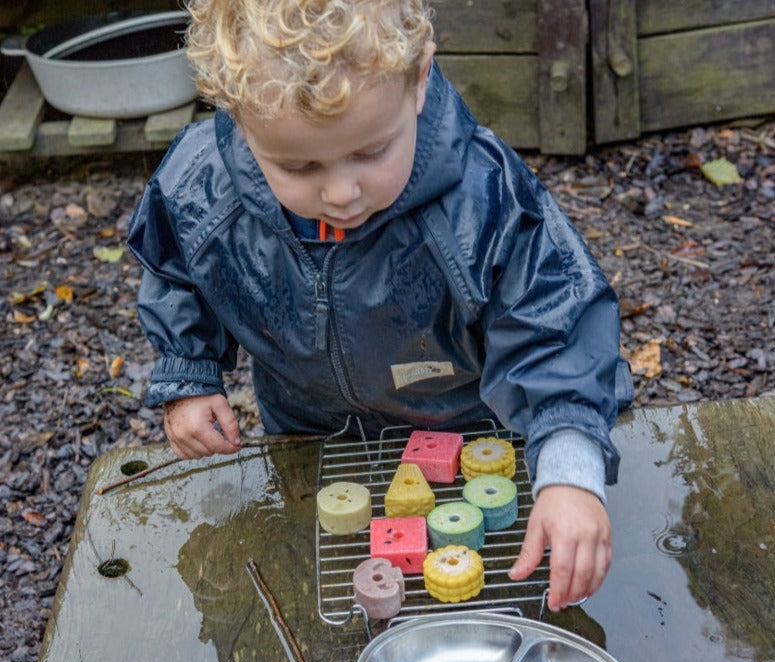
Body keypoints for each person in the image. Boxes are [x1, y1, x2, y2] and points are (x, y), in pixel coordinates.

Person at [128, 0, 633, 612]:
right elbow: (177, 266)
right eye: (298, 165)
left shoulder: (482, 195)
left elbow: (554, 323)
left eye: (371, 152)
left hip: (472, 436)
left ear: (419, 80)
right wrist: (190, 374)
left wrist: (569, 469)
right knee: (330, 600)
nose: (340, 193)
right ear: (236, 117)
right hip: (311, 435)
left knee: (486, 593)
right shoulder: (202, 183)